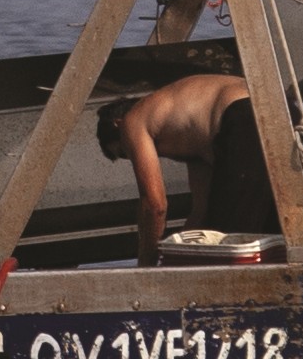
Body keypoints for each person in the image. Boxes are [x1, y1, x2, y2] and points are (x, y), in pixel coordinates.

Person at [103, 66, 271, 263]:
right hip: (278, 105)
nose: (136, 158)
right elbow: (201, 214)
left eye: (125, 152)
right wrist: (176, 256)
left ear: (117, 123)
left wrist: (146, 266)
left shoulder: (132, 120)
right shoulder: (197, 138)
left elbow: (155, 206)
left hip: (245, 115)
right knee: (270, 236)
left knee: (228, 244)